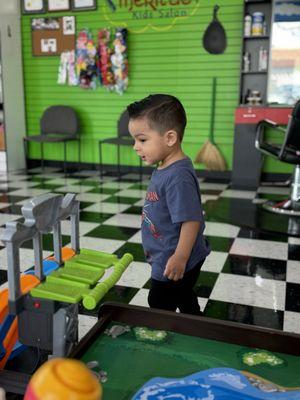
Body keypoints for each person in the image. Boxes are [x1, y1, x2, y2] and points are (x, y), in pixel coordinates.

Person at [127, 94, 210, 316]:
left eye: (142, 140)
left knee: (159, 302)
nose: (136, 147)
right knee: (183, 294)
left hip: (174, 257)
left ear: (170, 138)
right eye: (134, 140)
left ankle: (166, 343)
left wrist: (180, 257)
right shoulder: (166, 166)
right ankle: (197, 325)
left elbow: (191, 220)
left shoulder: (178, 177)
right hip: (167, 252)